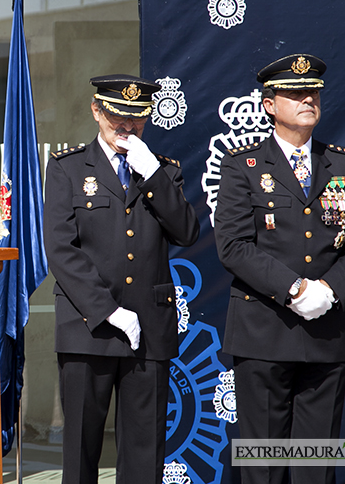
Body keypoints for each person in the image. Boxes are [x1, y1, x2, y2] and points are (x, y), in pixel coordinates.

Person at [214, 54, 345, 484]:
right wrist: (293, 289)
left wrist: (329, 288)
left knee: (316, 462)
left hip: (327, 332)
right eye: (294, 93)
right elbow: (233, 245)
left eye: (313, 92)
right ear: (269, 105)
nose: (308, 99)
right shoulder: (241, 165)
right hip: (265, 331)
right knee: (263, 462)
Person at [44, 74, 199, 484]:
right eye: (118, 119)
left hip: (149, 328)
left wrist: (152, 176)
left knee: (144, 456)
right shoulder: (68, 168)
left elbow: (187, 232)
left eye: (137, 121)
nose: (128, 129)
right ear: (97, 112)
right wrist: (108, 310)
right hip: (88, 328)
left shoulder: (162, 170)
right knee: (81, 454)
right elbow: (61, 249)